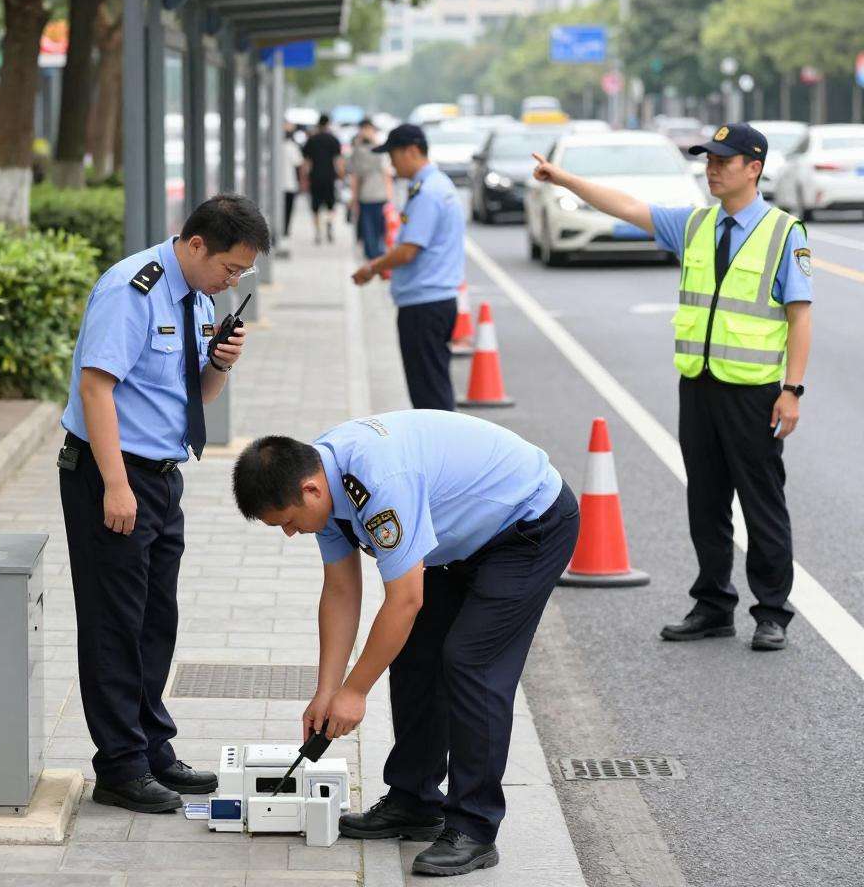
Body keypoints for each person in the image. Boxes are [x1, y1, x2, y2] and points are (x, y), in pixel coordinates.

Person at [232, 410, 579, 877]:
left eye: (288, 522)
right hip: (462, 540)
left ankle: (474, 828)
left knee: (470, 662)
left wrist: (355, 692)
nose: (290, 533)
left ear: (310, 490)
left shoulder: (376, 482)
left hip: (527, 525)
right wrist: (327, 690)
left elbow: (405, 600)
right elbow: (340, 590)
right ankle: (414, 802)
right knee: (415, 652)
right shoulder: (320, 479)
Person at [532, 121, 812, 651]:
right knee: (705, 503)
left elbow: (800, 315)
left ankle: (772, 611)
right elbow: (625, 207)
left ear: (753, 168)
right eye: (708, 160)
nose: (712, 169)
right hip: (698, 388)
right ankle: (713, 605)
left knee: (762, 505)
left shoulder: (783, 233)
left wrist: (792, 390)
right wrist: (564, 178)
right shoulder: (696, 224)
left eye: (723, 161)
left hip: (753, 394)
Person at [59, 193, 271, 813]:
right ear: (195, 244)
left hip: (160, 477)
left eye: (243, 273)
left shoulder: (199, 297)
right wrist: (115, 483)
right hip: (112, 474)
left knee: (156, 619)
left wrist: (221, 365)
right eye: (230, 267)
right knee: (114, 622)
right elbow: (95, 388)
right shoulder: (133, 289)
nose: (233, 282)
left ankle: (152, 747)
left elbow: (194, 396)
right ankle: (120, 766)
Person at [352, 124, 464, 412]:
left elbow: (408, 250)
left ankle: (440, 440)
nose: (391, 164)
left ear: (411, 151)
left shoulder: (428, 193)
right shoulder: (437, 185)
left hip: (424, 306)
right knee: (434, 385)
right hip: (433, 301)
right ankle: (442, 436)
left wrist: (372, 267)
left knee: (429, 394)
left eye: (393, 156)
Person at [348, 117, 391, 261]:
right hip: (365, 197)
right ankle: (373, 258)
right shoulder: (357, 151)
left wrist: (389, 196)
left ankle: (378, 257)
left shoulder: (380, 150)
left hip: (380, 195)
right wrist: (354, 199)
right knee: (368, 230)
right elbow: (355, 177)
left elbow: (387, 174)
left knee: (380, 229)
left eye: (369, 129)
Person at [301, 113, 344, 244]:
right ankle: (329, 224)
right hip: (330, 177)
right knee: (331, 204)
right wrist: (341, 174)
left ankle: (318, 232)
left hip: (315, 177)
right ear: (328, 124)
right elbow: (338, 160)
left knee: (315, 206)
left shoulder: (311, 140)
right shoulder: (333, 140)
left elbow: (306, 162)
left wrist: (304, 178)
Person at [282, 122, 303, 239]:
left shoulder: (275, 145)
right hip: (289, 184)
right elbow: (299, 164)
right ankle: (285, 229)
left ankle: (282, 228)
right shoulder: (292, 146)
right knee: (288, 208)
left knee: (281, 208)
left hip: (279, 186)